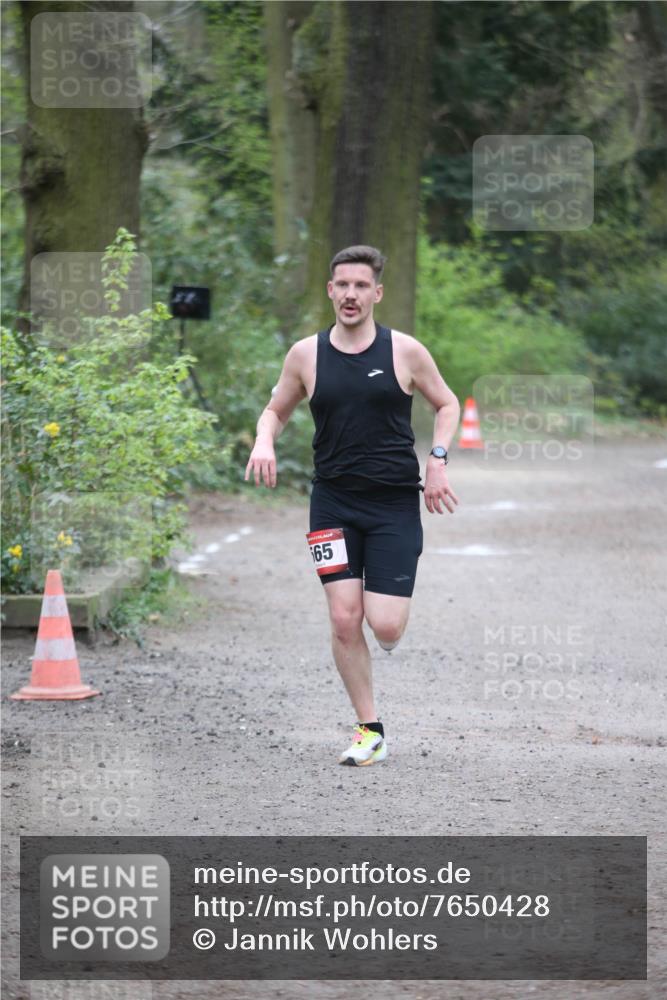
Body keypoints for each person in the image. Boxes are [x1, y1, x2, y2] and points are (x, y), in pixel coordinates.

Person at [245, 245, 460, 766]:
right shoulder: (306, 355)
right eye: (342, 285)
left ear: (376, 294)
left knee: (383, 625)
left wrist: (436, 459)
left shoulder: (404, 352)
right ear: (329, 291)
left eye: (361, 286)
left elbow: (447, 403)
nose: (350, 294)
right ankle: (370, 730)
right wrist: (264, 440)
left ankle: (382, 628)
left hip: (392, 506)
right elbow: (274, 411)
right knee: (345, 619)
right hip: (332, 504)